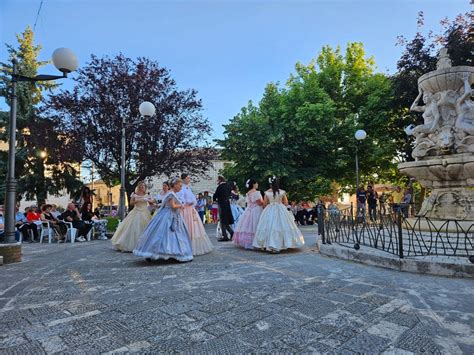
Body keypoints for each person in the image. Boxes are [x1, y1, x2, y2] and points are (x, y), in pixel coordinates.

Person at [133, 177, 193, 262]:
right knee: (165, 234)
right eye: (179, 186)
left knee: (169, 235)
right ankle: (162, 252)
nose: (180, 187)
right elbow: (173, 206)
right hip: (168, 215)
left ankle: (171, 253)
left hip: (170, 215)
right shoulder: (171, 194)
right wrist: (181, 205)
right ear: (175, 185)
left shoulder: (171, 193)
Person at [253, 177, 305, 252]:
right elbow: (286, 203)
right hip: (280, 208)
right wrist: (279, 203)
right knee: (283, 225)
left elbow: (264, 204)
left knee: (269, 226)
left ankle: (268, 244)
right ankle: (281, 244)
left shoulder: (267, 192)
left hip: (269, 209)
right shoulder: (282, 192)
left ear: (270, 184)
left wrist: (270, 204)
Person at [177, 173, 213, 256]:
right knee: (187, 226)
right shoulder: (181, 188)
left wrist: (193, 202)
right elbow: (180, 199)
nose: (189, 179)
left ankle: (191, 246)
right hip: (185, 210)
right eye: (188, 178)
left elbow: (192, 198)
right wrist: (188, 202)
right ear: (183, 179)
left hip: (191, 209)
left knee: (194, 228)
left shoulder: (187, 188)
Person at [111, 181, 152, 252]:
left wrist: (148, 200)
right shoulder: (134, 194)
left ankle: (145, 245)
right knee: (133, 227)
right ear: (139, 187)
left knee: (146, 227)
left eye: (143, 186)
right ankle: (131, 245)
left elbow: (151, 202)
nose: (142, 187)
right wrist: (137, 200)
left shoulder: (147, 195)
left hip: (145, 212)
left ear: (145, 187)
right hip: (136, 211)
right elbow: (131, 203)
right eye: (141, 186)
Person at [233, 179, 263, 249]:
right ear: (253, 184)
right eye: (256, 183)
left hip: (249, 210)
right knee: (255, 225)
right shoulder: (256, 192)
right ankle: (256, 242)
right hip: (256, 210)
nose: (257, 185)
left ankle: (248, 242)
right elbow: (259, 202)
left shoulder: (248, 192)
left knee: (248, 226)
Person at [213, 176, 235, 241]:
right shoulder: (228, 186)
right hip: (227, 203)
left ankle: (225, 235)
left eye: (217, 180)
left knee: (222, 220)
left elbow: (215, 195)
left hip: (221, 204)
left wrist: (214, 200)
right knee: (226, 220)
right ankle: (231, 233)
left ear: (220, 180)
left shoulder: (220, 187)